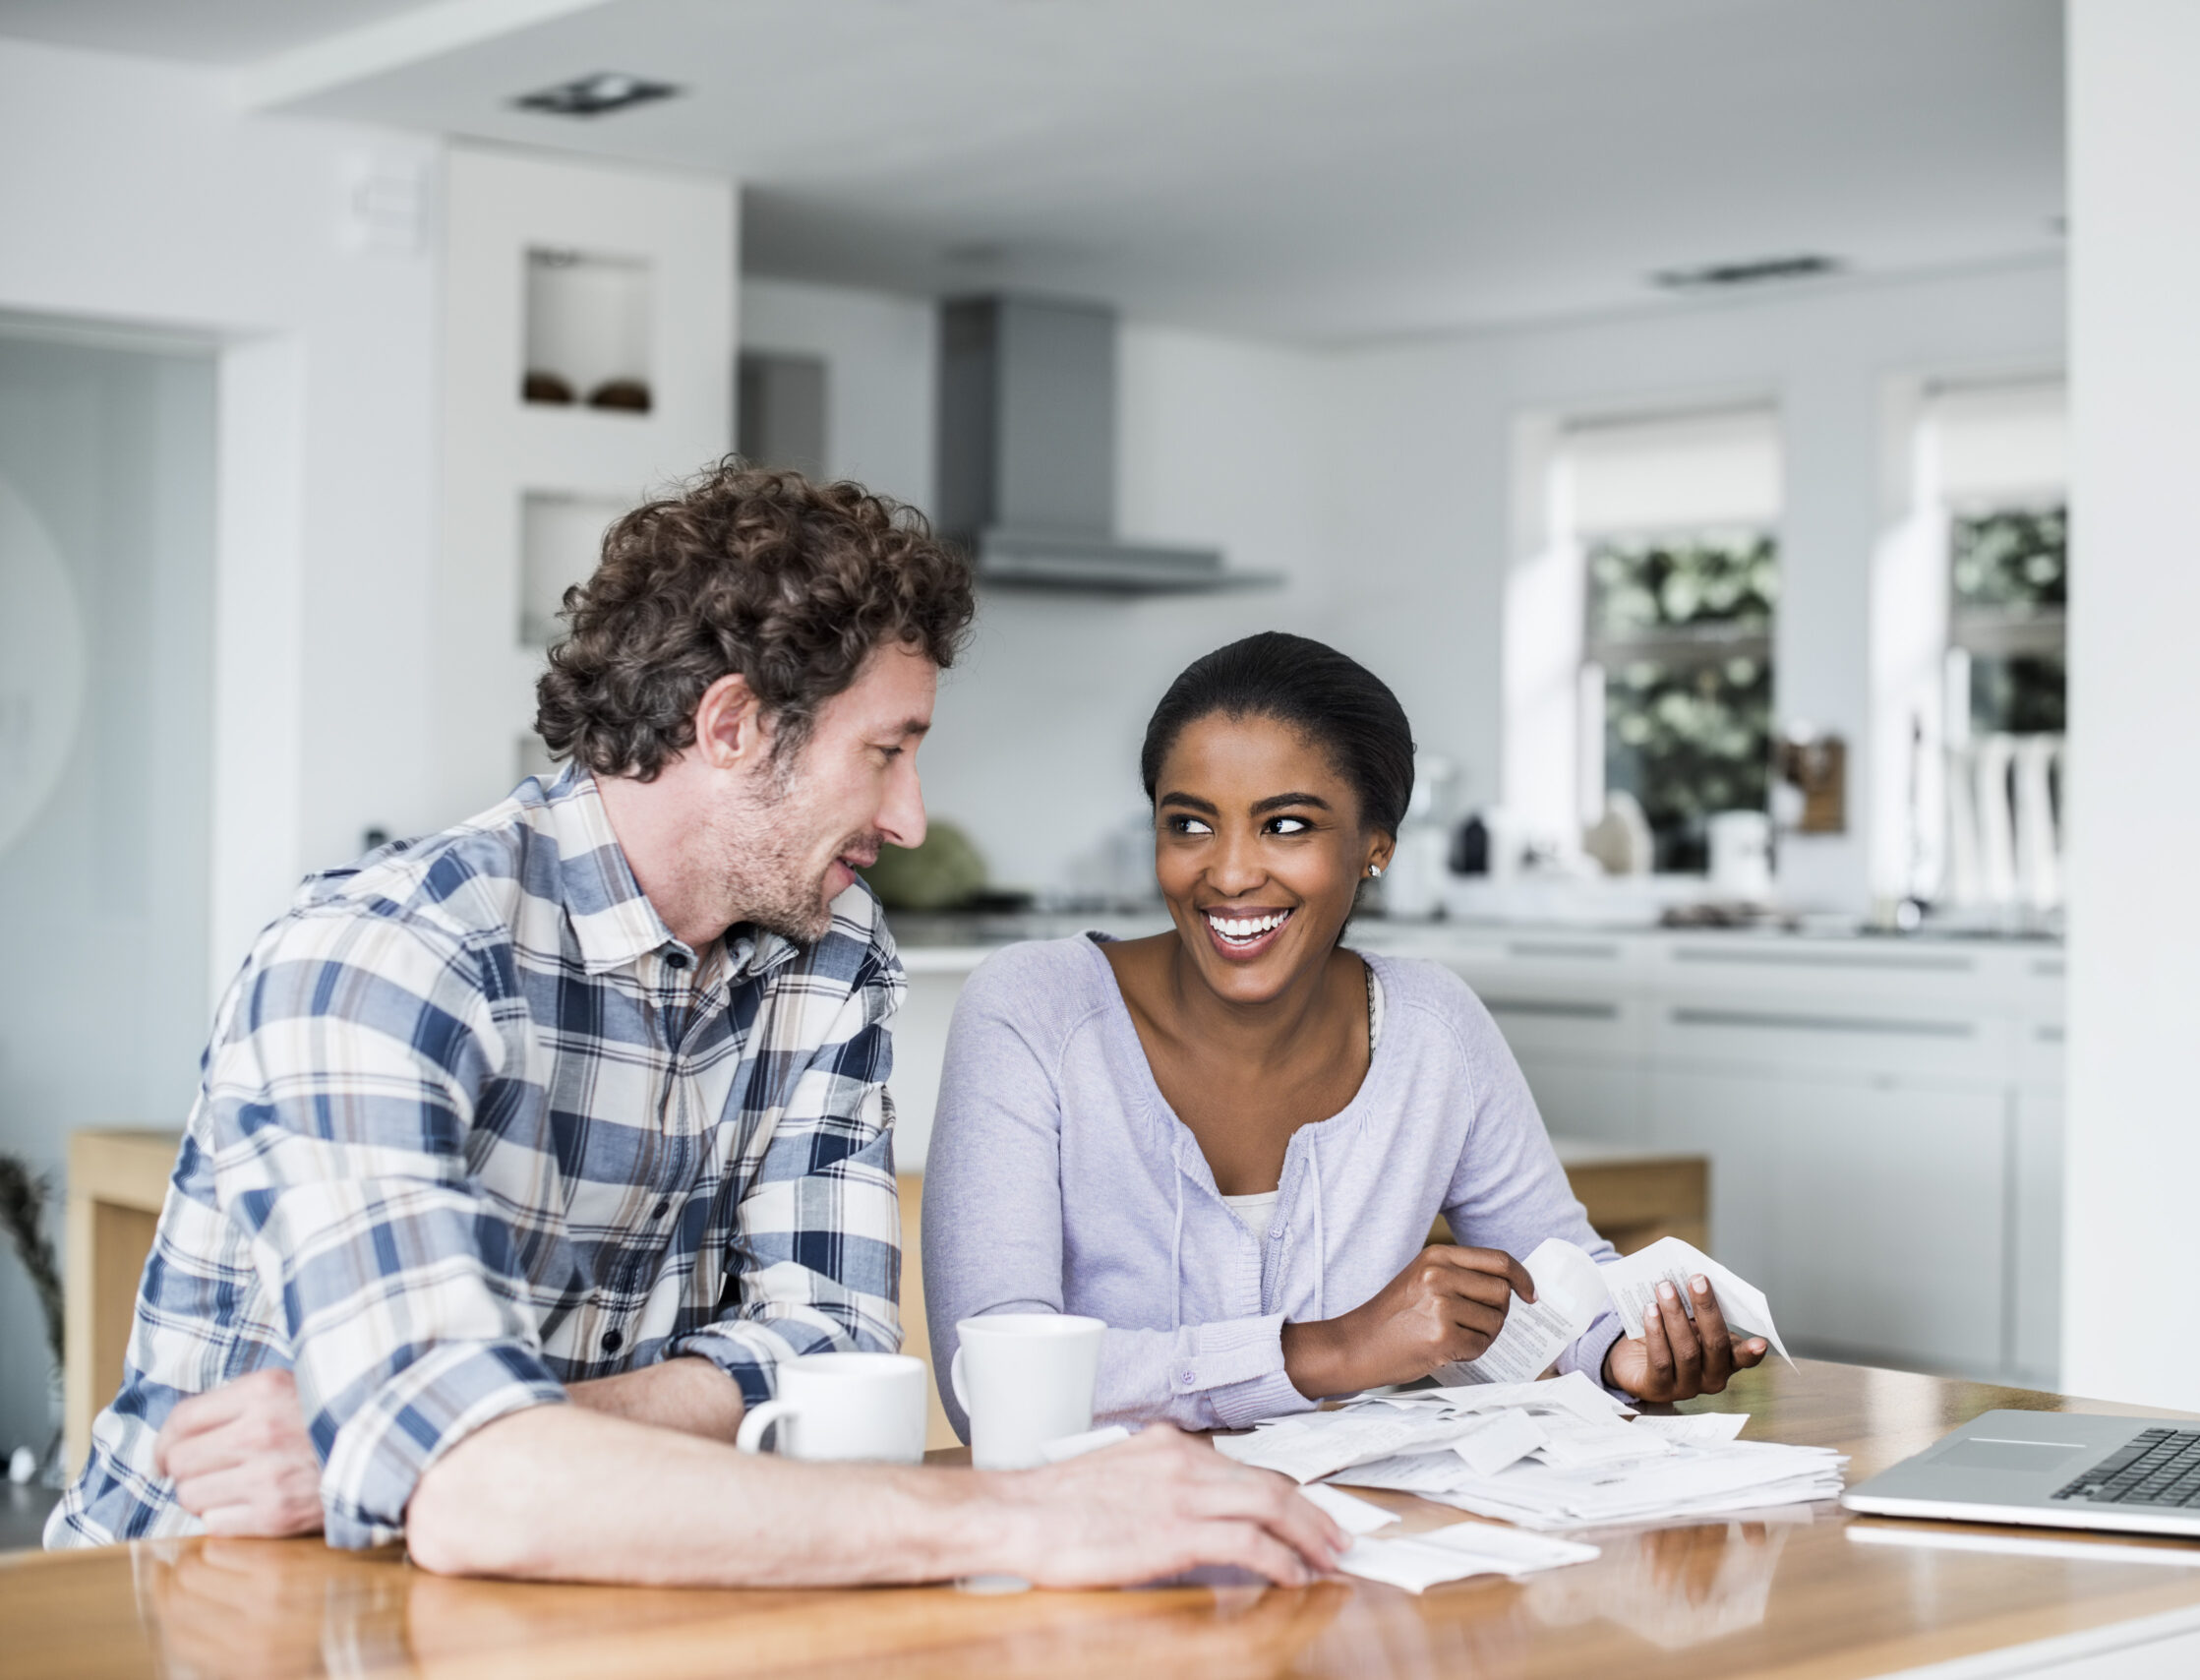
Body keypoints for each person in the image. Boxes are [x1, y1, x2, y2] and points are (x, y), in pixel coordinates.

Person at [46, 465, 1342, 1590]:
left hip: (558, 1584)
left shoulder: (828, 960)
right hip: (181, 1605)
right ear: (730, 726)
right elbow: (477, 1488)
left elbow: (832, 1346)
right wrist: (1023, 1517)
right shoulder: (389, 958)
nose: (908, 817)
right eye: (884, 753)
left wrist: (457, 1433)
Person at [923, 631, 1765, 1438]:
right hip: (1098, 1555)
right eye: (1190, 824)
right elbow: (989, 1380)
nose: (1230, 872)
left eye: (1286, 825)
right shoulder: (1033, 1012)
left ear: (1375, 846)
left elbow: (1557, 1277)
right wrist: (1333, 1349)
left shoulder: (1433, 1030)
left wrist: (1622, 1355)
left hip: (1356, 1548)